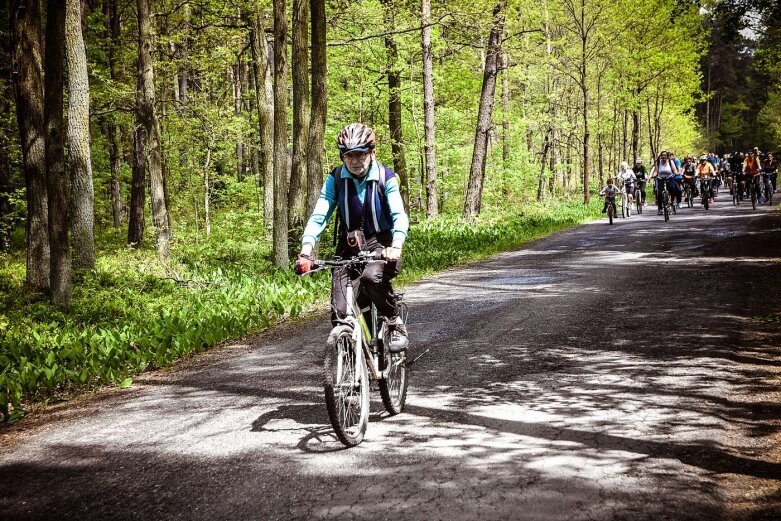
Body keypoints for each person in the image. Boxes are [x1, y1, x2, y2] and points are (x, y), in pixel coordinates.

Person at [294, 123, 410, 352]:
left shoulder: (385, 177)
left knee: (370, 278)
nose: (355, 161)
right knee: (340, 312)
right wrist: (306, 250)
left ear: (372, 153)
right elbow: (319, 215)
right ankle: (350, 365)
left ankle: (394, 321)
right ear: (342, 157)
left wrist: (395, 246)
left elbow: (399, 215)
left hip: (382, 244)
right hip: (349, 245)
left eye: (361, 155)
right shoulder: (336, 179)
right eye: (349, 156)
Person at [650, 150, 680, 215]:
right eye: (662, 155)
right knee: (659, 193)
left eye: (665, 155)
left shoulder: (670, 161)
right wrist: (654, 175)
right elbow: (656, 171)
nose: (664, 157)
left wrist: (676, 173)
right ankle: (660, 208)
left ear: (667, 156)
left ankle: (672, 202)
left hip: (669, 177)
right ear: (660, 156)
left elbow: (674, 170)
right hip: (660, 178)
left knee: (672, 188)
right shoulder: (658, 162)